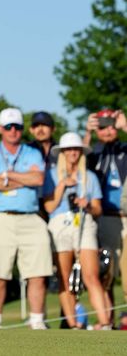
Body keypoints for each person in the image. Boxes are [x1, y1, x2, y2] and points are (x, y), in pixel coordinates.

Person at [0, 108, 52, 330]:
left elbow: (38, 178)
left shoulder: (32, 153)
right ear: (0, 129)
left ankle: (37, 320)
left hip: (30, 218)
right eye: (9, 127)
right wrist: (24, 180)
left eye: (18, 127)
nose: (13, 131)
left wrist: (8, 175)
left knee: (38, 273)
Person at [42, 132, 111, 329]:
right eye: (69, 149)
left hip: (84, 222)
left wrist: (87, 205)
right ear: (62, 152)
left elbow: (98, 208)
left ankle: (104, 322)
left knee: (91, 275)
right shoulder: (52, 175)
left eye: (76, 149)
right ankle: (73, 325)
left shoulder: (89, 177)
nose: (73, 152)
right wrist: (61, 186)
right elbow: (49, 207)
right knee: (65, 278)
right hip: (59, 224)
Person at [83, 109, 127, 319]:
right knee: (105, 273)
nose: (108, 130)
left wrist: (125, 126)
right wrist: (88, 134)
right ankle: (108, 322)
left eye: (111, 125)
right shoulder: (93, 152)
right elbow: (76, 162)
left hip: (125, 216)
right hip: (104, 218)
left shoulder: (124, 149)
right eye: (103, 126)